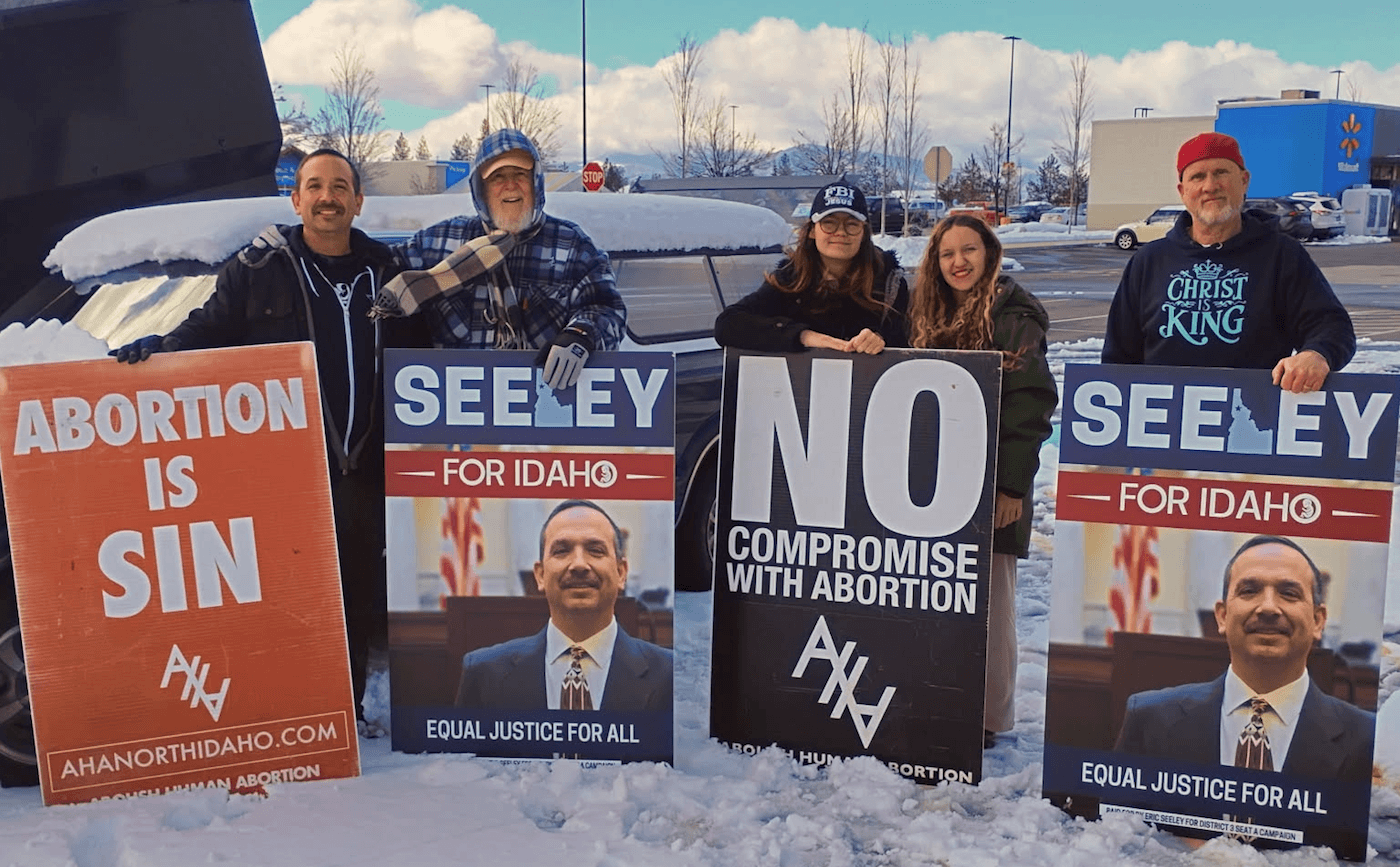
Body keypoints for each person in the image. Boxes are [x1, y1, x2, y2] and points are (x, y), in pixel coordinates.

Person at [110, 148, 426, 726]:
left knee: (355, 593)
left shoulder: (392, 273)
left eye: (339, 186)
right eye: (315, 186)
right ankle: (287, 716)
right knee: (285, 594)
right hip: (287, 474)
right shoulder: (257, 271)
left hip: (366, 470)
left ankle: (344, 716)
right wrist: (156, 351)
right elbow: (207, 330)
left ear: (358, 201)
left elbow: (432, 351)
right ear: (296, 199)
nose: (327, 196)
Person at [905, 214, 1058, 747]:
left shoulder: (1012, 316)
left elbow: (1031, 407)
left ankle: (988, 718)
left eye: (970, 250)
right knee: (938, 597)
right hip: (931, 484)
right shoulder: (925, 311)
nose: (959, 262)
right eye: (948, 253)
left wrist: (1012, 489)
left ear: (990, 253)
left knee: (990, 604)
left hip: (991, 485)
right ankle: (938, 698)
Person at [1101, 132, 1354, 394]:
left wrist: (1316, 355)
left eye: (1221, 172)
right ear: (1182, 191)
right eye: (1197, 177)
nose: (1210, 186)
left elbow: (1332, 327)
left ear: (1244, 181)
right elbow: (1118, 358)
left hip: (1252, 419)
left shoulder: (1282, 256)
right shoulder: (1148, 261)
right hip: (1161, 422)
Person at [378, 129, 626, 390]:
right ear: (481, 190)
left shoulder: (573, 244)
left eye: (520, 174)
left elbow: (608, 309)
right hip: (454, 414)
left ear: (536, 182)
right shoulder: (440, 242)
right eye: (497, 177)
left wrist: (581, 335)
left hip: (544, 410)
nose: (510, 185)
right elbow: (379, 269)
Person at [1115, 535, 1374, 782]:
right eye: (1249, 590)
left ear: (1318, 621)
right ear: (1222, 616)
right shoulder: (1150, 721)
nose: (1269, 608)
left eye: (1289, 593)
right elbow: (1118, 826)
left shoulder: (1369, 739)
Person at [454, 500, 673, 712]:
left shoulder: (669, 674)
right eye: (561, 551)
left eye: (595, 550)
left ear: (621, 573)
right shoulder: (484, 674)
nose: (579, 564)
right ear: (540, 575)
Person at [713, 182, 907, 354]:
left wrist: (880, 341)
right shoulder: (790, 280)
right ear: (813, 230)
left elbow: (909, 341)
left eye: (851, 224)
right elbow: (727, 325)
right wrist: (802, 336)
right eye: (829, 223)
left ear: (863, 233)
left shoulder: (890, 283)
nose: (840, 232)